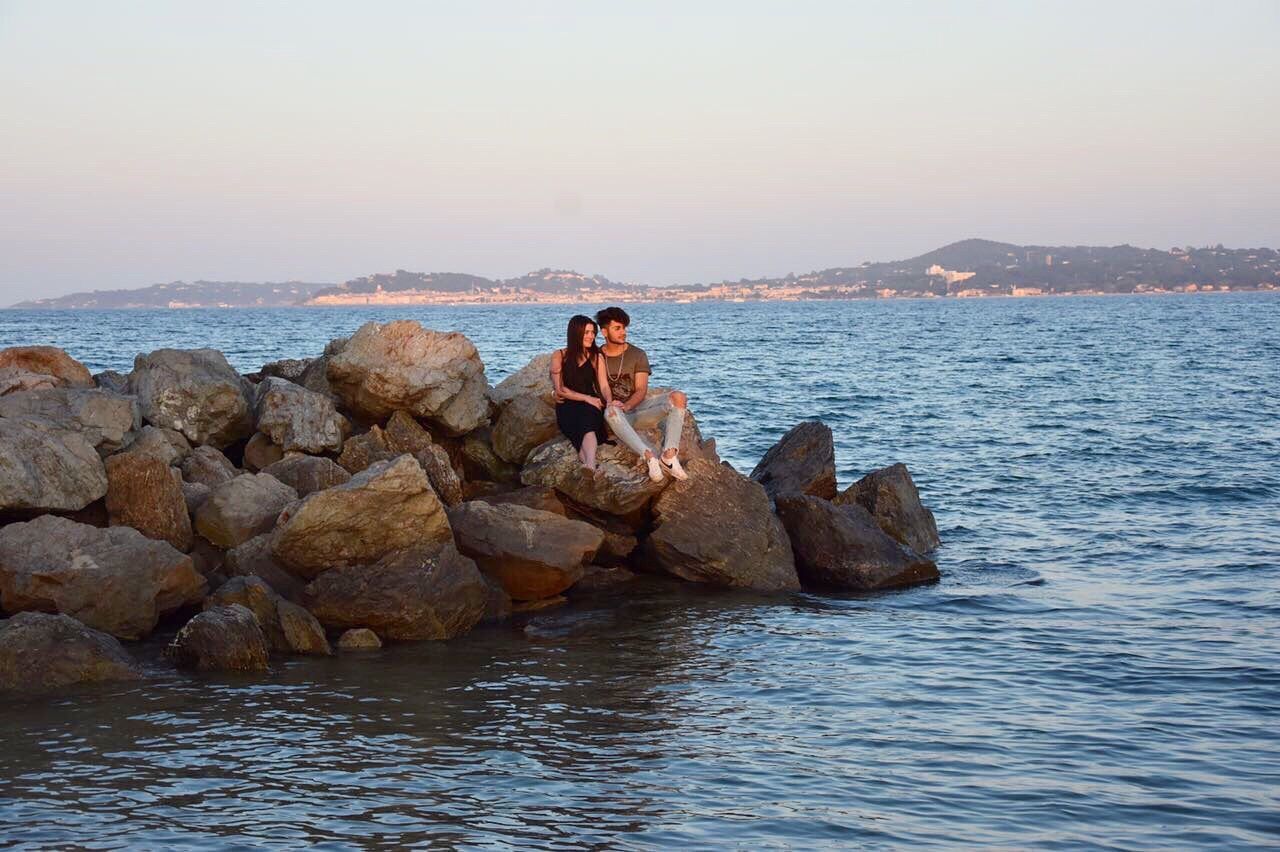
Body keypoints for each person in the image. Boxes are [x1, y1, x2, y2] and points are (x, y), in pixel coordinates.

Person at [595, 306, 690, 482]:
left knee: (679, 397)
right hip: (615, 418)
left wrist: (628, 405)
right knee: (611, 411)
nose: (623, 332)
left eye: (624, 328)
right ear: (604, 332)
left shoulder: (637, 354)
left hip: (639, 411)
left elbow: (641, 390)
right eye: (617, 328)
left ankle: (669, 456)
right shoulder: (596, 356)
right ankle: (649, 457)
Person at [550, 315, 612, 470]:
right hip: (568, 404)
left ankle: (589, 465)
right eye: (587, 332)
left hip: (591, 405)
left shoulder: (596, 357)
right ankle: (590, 465)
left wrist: (609, 402)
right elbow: (560, 389)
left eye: (593, 332)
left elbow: (604, 385)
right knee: (579, 426)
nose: (591, 336)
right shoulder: (560, 355)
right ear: (575, 333)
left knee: (588, 423)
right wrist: (587, 398)